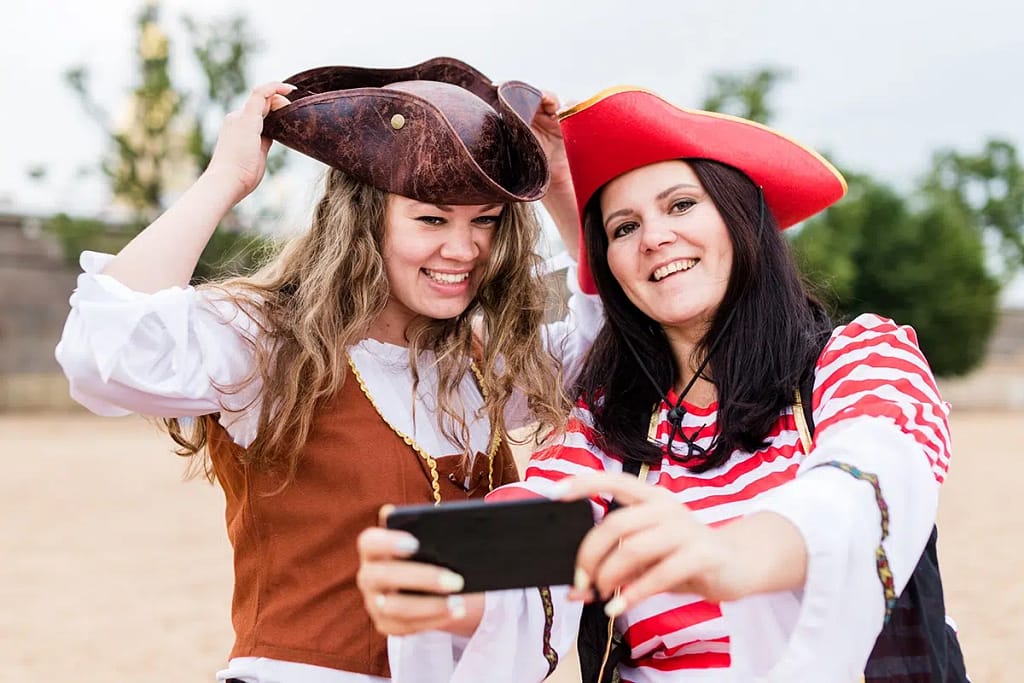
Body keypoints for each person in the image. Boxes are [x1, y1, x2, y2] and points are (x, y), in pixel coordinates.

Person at [356, 87, 954, 682]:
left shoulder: (858, 359)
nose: (654, 238)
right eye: (623, 227)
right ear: (610, 268)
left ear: (740, 215)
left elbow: (867, 481)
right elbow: (538, 534)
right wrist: (441, 584)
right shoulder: (608, 424)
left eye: (681, 205)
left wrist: (735, 554)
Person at [55, 57, 601, 683]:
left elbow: (617, 348)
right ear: (364, 223)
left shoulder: (479, 363)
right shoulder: (267, 340)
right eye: (430, 218)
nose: (464, 249)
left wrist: (560, 183)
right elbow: (102, 350)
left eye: (484, 221)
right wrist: (224, 179)